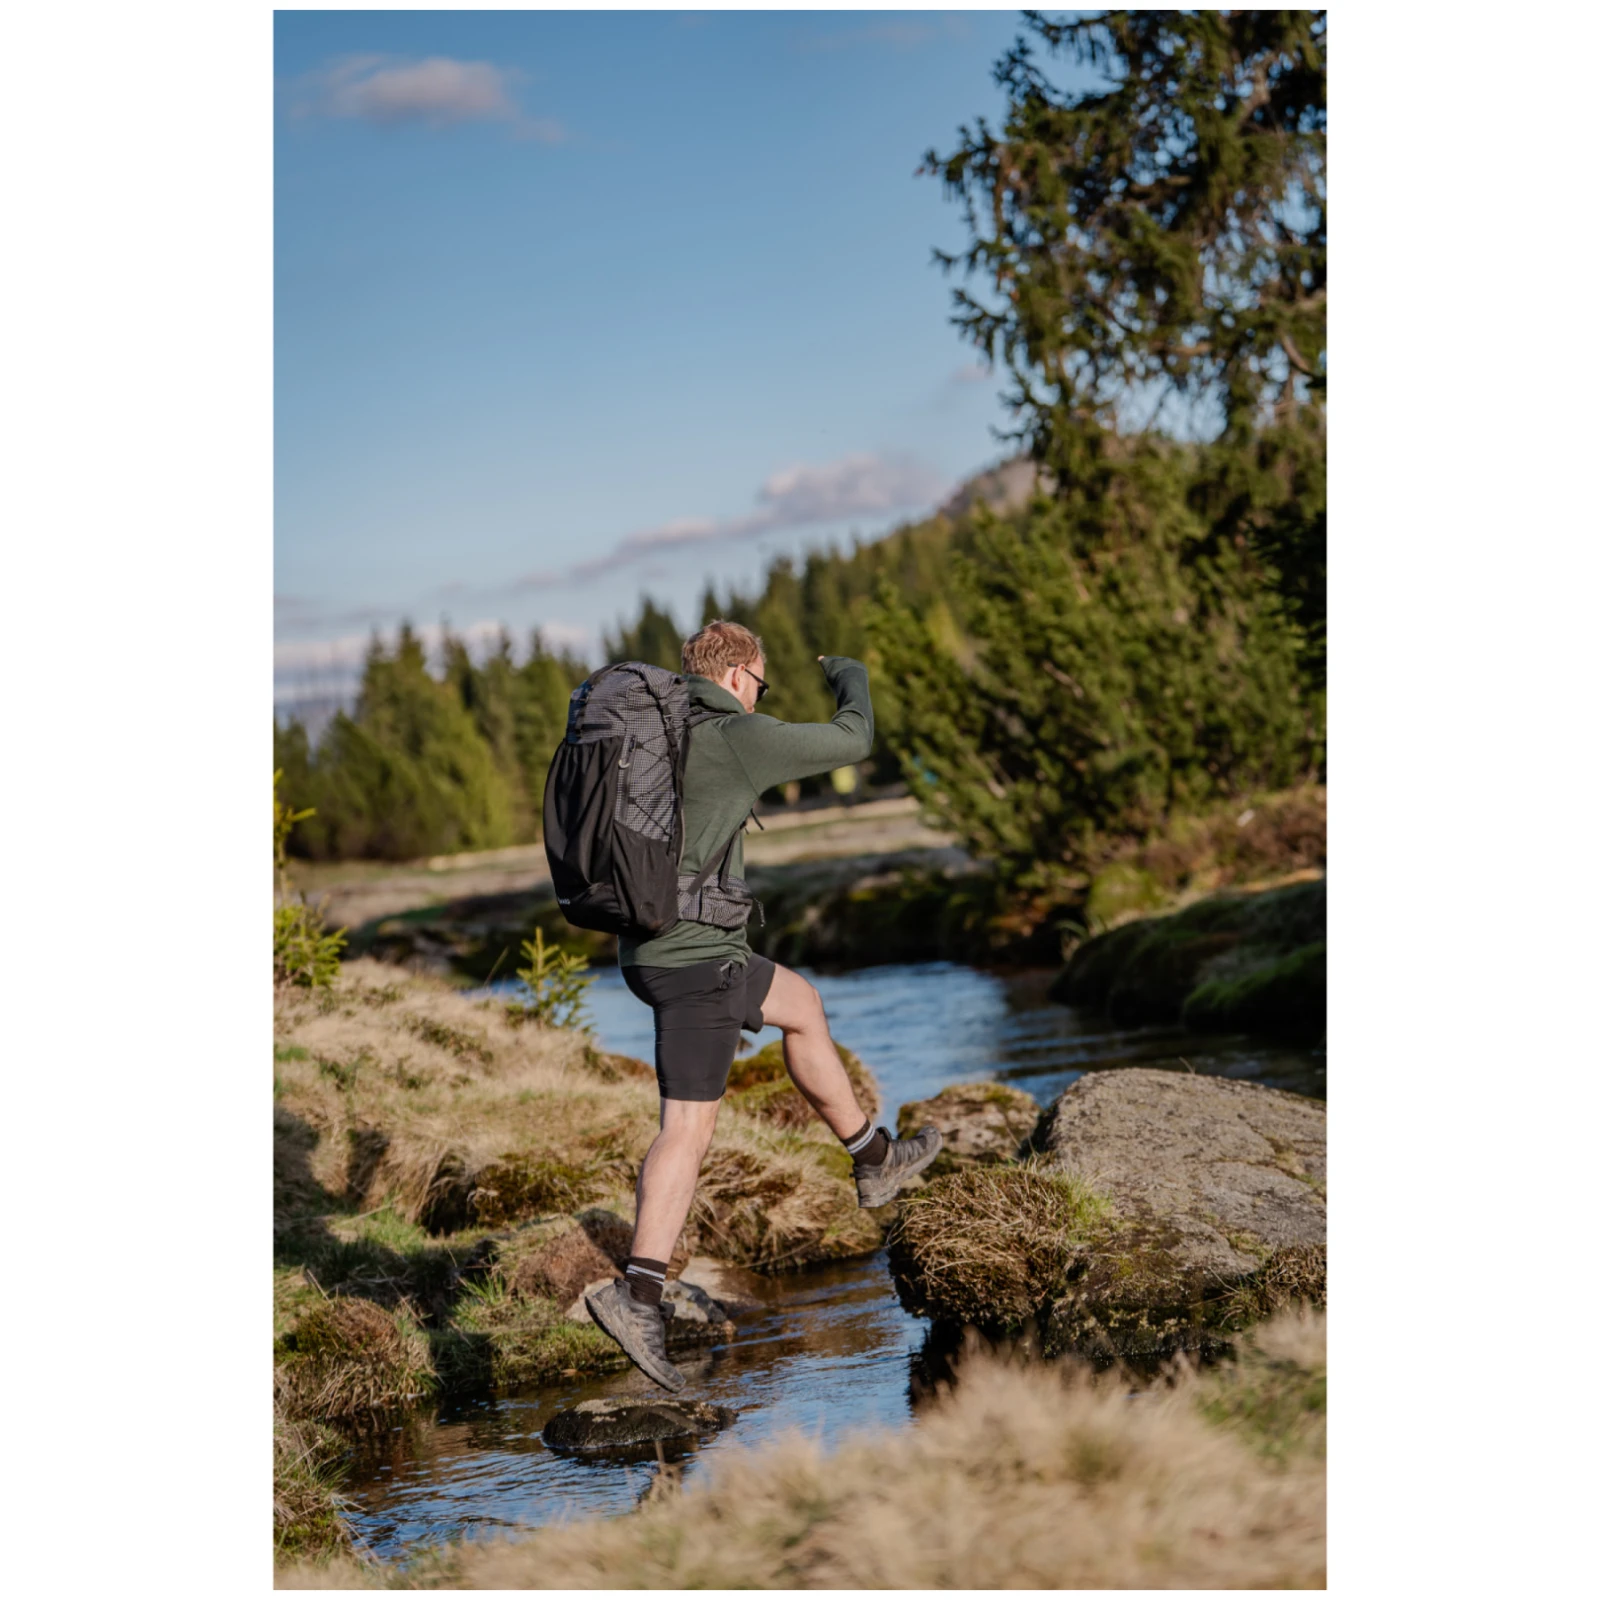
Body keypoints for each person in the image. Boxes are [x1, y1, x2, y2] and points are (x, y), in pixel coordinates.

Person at [584, 620, 943, 1390]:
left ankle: (874, 1159)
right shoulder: (735, 735)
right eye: (761, 684)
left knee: (802, 1005)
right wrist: (849, 673)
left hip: (656, 950)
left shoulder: (659, 734)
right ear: (738, 675)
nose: (760, 697)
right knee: (687, 1128)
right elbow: (853, 738)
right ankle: (637, 1297)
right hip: (696, 962)